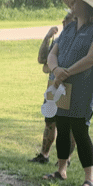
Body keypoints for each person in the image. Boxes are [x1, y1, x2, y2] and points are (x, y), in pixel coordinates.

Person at [45, 0, 93, 186]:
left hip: (82, 89)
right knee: (62, 127)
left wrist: (68, 71)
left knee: (80, 130)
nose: (72, 4)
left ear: (86, 5)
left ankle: (89, 179)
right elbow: (52, 53)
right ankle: (61, 170)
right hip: (60, 87)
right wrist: (56, 70)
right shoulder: (69, 29)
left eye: (76, 1)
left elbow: (92, 57)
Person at [29, 13, 76, 164]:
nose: (63, 21)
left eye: (67, 18)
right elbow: (42, 59)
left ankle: (65, 159)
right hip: (53, 87)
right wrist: (47, 37)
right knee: (50, 122)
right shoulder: (59, 39)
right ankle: (44, 155)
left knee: (69, 126)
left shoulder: (81, 38)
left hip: (72, 86)